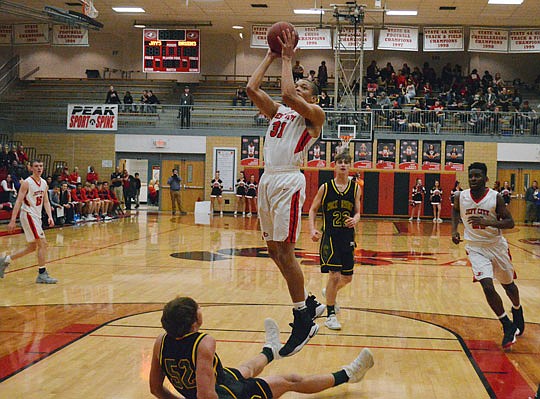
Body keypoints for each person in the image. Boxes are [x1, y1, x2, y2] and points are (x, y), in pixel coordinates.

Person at [247, 28, 326, 357]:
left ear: (314, 97)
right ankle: (309, 301)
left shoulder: (315, 116)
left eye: (306, 85)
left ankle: (302, 318)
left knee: (287, 252)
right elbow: (251, 87)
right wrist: (270, 55)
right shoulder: (278, 112)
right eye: (299, 82)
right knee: (274, 251)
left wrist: (289, 58)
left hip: (288, 181)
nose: (299, 87)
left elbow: (289, 94)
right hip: (267, 179)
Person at [149, 297, 374, 399]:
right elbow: (207, 396)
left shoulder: (161, 341)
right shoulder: (203, 343)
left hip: (221, 383)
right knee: (290, 380)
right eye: (198, 308)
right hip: (226, 395)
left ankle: (271, 350)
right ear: (193, 322)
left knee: (245, 368)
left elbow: (156, 389)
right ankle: (349, 374)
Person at [451, 162, 524, 349]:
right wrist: (454, 230)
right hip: (475, 248)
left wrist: (490, 222)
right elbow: (455, 211)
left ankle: (517, 310)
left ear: (486, 178)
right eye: (471, 176)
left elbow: (510, 222)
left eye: (477, 176)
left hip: (496, 247)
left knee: (509, 287)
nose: (473, 179)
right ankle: (507, 325)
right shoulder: (461, 196)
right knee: (487, 286)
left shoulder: (495, 197)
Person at [308, 152, 361, 331]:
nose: (343, 165)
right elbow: (313, 209)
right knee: (335, 275)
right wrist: (312, 229)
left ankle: (330, 292)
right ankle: (330, 315)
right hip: (330, 236)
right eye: (340, 162)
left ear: (350, 166)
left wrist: (356, 219)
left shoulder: (355, 188)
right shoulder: (326, 187)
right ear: (335, 166)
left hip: (348, 237)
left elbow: (358, 211)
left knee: (347, 278)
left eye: (346, 162)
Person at [0, 159, 57, 283]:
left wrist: (50, 216)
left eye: (41, 166)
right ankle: (42, 274)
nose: (39, 168)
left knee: (32, 247)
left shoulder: (43, 183)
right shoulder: (27, 183)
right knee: (43, 243)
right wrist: (12, 220)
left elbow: (46, 201)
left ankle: (5, 260)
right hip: (28, 215)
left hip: (37, 216)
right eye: (36, 166)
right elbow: (19, 201)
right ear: (31, 168)